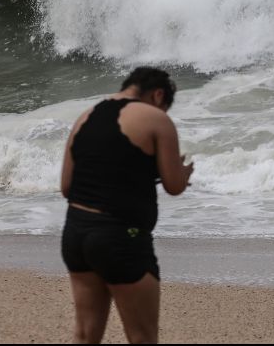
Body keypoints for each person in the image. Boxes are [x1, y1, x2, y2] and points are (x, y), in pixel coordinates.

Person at [60, 67, 194, 344]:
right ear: (158, 95)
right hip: (120, 238)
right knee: (142, 337)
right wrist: (182, 172)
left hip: (76, 233)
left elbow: (66, 187)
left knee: (85, 335)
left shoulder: (86, 116)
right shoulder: (156, 119)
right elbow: (174, 186)